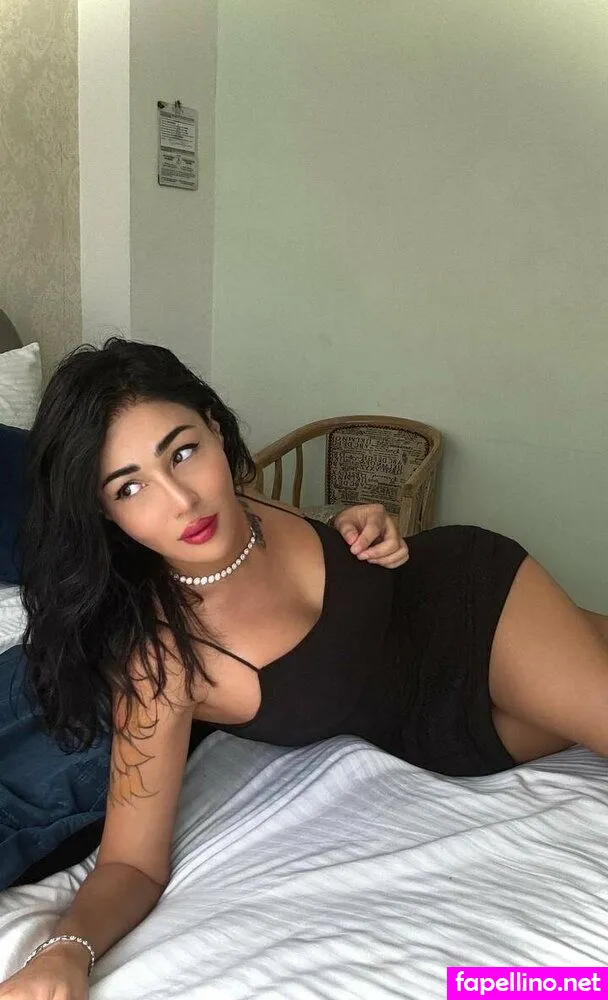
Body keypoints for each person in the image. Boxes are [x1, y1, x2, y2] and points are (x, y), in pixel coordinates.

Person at [2, 338, 607, 998]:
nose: (181, 500)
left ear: (213, 426)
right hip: (448, 735)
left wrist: (361, 523)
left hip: (470, 598)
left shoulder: (247, 501)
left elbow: (328, 565)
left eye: (182, 452)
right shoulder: (162, 663)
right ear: (106, 512)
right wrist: (66, 950)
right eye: (131, 487)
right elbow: (130, 864)